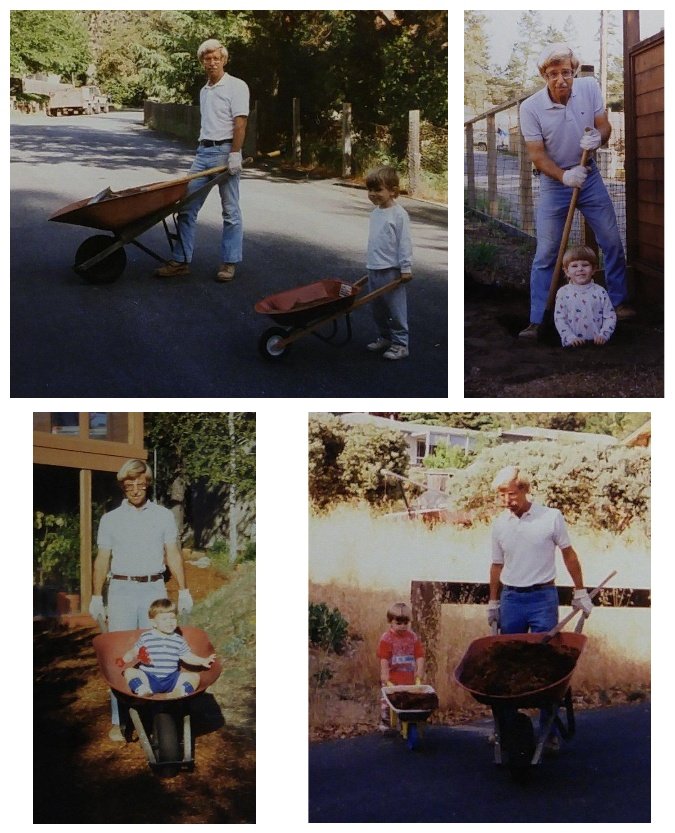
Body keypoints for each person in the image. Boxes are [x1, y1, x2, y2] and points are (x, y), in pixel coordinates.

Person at [518, 43, 635, 339]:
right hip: (555, 182)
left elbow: (604, 125)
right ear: (545, 75)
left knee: (611, 240)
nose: (561, 79)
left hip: (590, 177)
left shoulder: (589, 87)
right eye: (554, 73)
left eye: (566, 72)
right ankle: (538, 317)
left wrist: (598, 138)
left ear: (574, 71)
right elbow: (537, 155)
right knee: (546, 251)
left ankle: (617, 302)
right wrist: (565, 175)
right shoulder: (531, 108)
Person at [487, 466, 594, 750]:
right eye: (501, 495)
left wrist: (580, 590)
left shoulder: (551, 518)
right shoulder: (499, 524)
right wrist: (493, 601)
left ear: (524, 489)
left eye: (511, 493)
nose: (506, 500)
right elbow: (497, 565)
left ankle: (549, 732)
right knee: (507, 663)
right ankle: (505, 729)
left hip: (543, 597)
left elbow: (569, 554)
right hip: (512, 599)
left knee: (548, 666)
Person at [89, 458, 193, 740]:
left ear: (148, 483)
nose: (135, 489)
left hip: (153, 588)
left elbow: (172, 553)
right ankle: (119, 719)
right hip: (121, 589)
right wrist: (97, 595)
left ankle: (157, 715)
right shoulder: (110, 519)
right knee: (121, 654)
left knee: (159, 649)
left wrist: (183, 589)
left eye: (140, 483)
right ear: (123, 486)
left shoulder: (162, 516)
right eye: (129, 484)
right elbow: (102, 559)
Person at [154, 38, 249, 283]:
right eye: (207, 59)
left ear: (224, 60)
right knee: (186, 207)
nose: (212, 62)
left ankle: (229, 263)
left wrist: (235, 154)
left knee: (230, 211)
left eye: (216, 58)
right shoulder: (204, 90)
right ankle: (182, 260)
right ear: (202, 62)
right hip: (203, 153)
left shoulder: (237, 86)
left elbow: (240, 123)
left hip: (226, 152)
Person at [118, 598, 215, 698]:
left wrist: (202, 660)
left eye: (172, 618)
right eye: (164, 619)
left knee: (195, 677)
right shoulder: (146, 637)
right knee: (129, 671)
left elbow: (187, 656)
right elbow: (135, 650)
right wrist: (127, 656)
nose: (169, 622)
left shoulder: (178, 639)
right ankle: (142, 689)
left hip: (171, 679)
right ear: (154, 623)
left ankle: (179, 691)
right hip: (148, 676)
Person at [364, 166, 413, 360]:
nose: (373, 194)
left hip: (391, 270)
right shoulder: (375, 213)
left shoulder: (399, 215)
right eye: (370, 190)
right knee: (378, 309)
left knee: (395, 309)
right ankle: (385, 338)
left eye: (378, 190)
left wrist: (406, 268)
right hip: (374, 268)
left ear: (393, 190)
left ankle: (401, 344)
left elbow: (404, 243)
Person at [554, 245, 617, 347]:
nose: (580, 269)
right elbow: (559, 319)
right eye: (574, 266)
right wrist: (569, 337)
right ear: (566, 271)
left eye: (585, 265)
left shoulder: (600, 292)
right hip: (572, 345)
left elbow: (610, 316)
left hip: (597, 344)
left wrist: (604, 335)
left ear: (593, 269)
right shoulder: (563, 293)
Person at [376, 602, 425, 729]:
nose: (402, 626)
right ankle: (386, 721)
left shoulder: (412, 637)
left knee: (409, 701)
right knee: (388, 701)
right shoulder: (387, 638)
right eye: (398, 623)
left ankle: (406, 722)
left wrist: (419, 670)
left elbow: (419, 655)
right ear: (390, 622)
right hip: (392, 677)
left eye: (405, 623)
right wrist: (384, 673)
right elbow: (384, 658)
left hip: (408, 676)